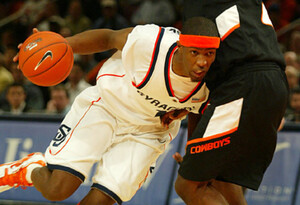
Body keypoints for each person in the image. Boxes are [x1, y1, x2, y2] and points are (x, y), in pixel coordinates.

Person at [0, 17, 220, 205]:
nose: (202, 61)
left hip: (149, 132)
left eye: (209, 54)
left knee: (103, 199)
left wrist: (194, 152)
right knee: (56, 190)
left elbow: (199, 112)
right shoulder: (150, 42)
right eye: (195, 53)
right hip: (106, 106)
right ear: (180, 47)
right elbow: (107, 38)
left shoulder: (215, 79)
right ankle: (29, 169)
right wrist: (58, 45)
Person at [173, 1, 289, 205]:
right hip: (277, 83)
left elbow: (200, 77)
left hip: (243, 84)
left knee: (188, 184)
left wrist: (192, 148)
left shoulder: (197, 7)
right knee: (222, 179)